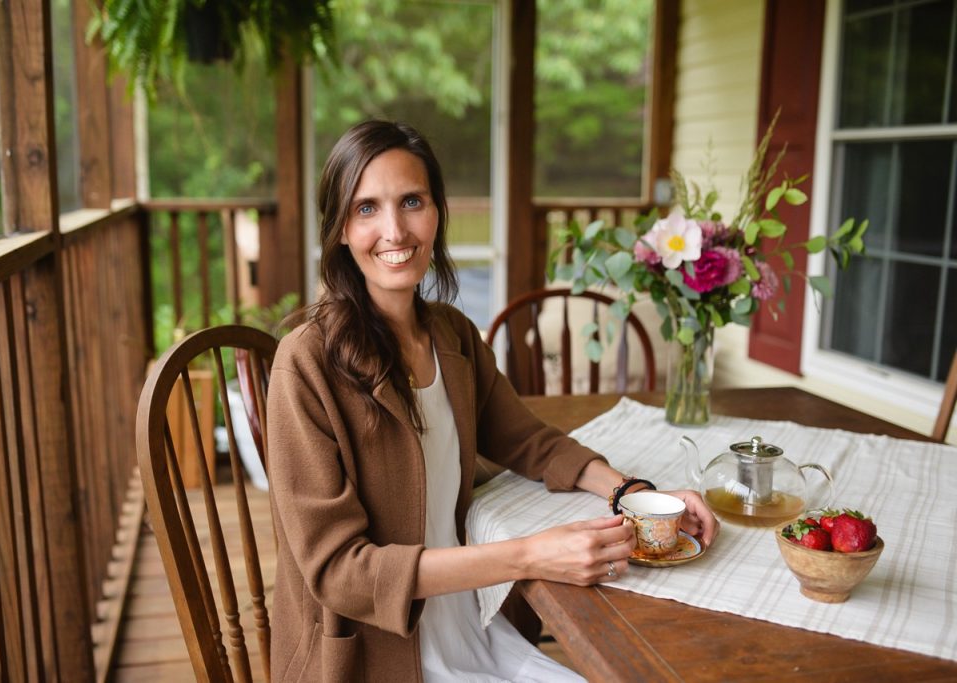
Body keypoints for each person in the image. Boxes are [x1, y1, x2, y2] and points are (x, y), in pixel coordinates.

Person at [266, 120, 719, 682]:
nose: (394, 229)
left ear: (437, 213)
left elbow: (527, 439)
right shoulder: (305, 364)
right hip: (377, 659)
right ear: (337, 229)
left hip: (470, 626)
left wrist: (633, 493)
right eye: (366, 209)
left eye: (412, 201)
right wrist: (529, 555)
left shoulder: (451, 334)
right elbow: (340, 572)